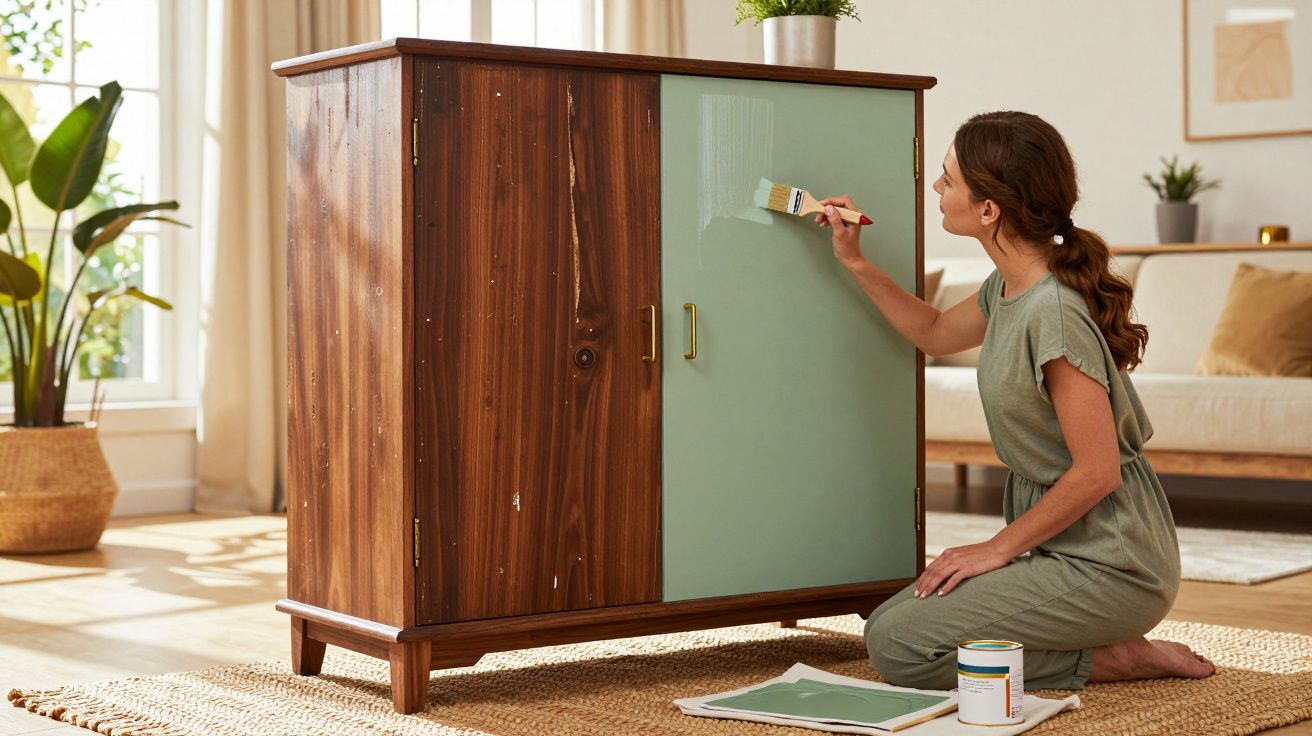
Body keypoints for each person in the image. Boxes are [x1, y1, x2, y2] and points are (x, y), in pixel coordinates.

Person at [814, 110, 1216, 691]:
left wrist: (995, 549)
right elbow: (930, 331)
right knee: (889, 625)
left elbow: (1098, 471)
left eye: (948, 179)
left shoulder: (1052, 312)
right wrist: (854, 260)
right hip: (1061, 548)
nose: (935, 188)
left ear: (988, 209)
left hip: (1114, 563)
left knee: (901, 648)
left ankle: (1119, 659)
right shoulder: (1007, 287)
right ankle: (1098, 644)